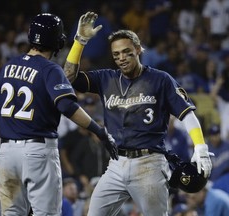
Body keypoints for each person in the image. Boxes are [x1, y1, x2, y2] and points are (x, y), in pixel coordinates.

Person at [63, 11, 213, 216]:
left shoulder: (160, 80)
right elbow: (68, 77)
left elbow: (186, 114)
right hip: (116, 164)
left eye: (126, 52)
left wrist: (200, 147)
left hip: (149, 164)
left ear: (139, 49)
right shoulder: (106, 78)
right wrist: (80, 42)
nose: (121, 58)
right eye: (116, 55)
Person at [0, 13, 118, 216]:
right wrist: (99, 131)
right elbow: (66, 106)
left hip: (8, 153)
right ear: (58, 41)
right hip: (38, 152)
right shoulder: (50, 69)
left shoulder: (7, 67)